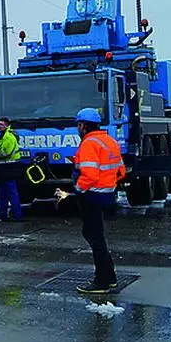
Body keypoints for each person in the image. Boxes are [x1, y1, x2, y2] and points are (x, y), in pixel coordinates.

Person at [58, 107, 124, 294]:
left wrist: (77, 191)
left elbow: (90, 174)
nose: (78, 128)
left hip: (91, 195)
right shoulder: (109, 141)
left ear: (84, 125)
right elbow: (121, 171)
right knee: (96, 236)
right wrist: (108, 185)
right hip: (106, 194)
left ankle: (102, 282)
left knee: (94, 237)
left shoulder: (88, 144)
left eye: (79, 125)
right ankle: (109, 277)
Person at [0, 116, 24, 222]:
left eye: (1, 124)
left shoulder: (8, 137)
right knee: (2, 192)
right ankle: (2, 213)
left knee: (11, 192)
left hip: (10, 168)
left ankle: (17, 215)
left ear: (7, 126)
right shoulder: (2, 136)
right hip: (4, 168)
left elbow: (5, 153)